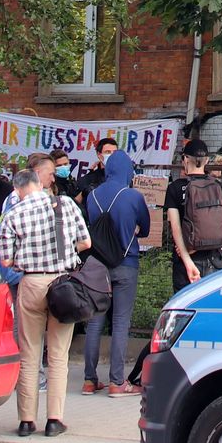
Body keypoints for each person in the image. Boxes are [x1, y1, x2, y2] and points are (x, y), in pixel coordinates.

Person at [0, 155, 92, 437]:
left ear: (18, 189)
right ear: (39, 183)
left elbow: (6, 261)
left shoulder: (13, 215)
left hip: (30, 284)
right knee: (59, 355)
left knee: (29, 354)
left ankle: (26, 421)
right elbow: (86, 242)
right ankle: (54, 420)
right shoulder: (67, 205)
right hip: (62, 284)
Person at [81, 148, 151, 397]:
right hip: (126, 262)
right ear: (128, 171)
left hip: (97, 265)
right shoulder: (133, 196)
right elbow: (145, 229)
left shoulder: (92, 196)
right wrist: (133, 230)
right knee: (121, 323)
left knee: (95, 322)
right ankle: (116, 382)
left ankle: (89, 381)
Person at [166, 137, 222, 290]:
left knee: (185, 310)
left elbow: (176, 229)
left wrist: (188, 260)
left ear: (185, 159)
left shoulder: (175, 188)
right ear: (206, 161)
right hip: (214, 260)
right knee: (212, 309)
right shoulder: (220, 188)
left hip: (185, 263)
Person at [72, 137, 121, 207]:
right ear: (99, 155)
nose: (112, 155)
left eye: (115, 152)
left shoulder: (124, 179)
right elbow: (75, 207)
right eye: (108, 152)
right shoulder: (86, 180)